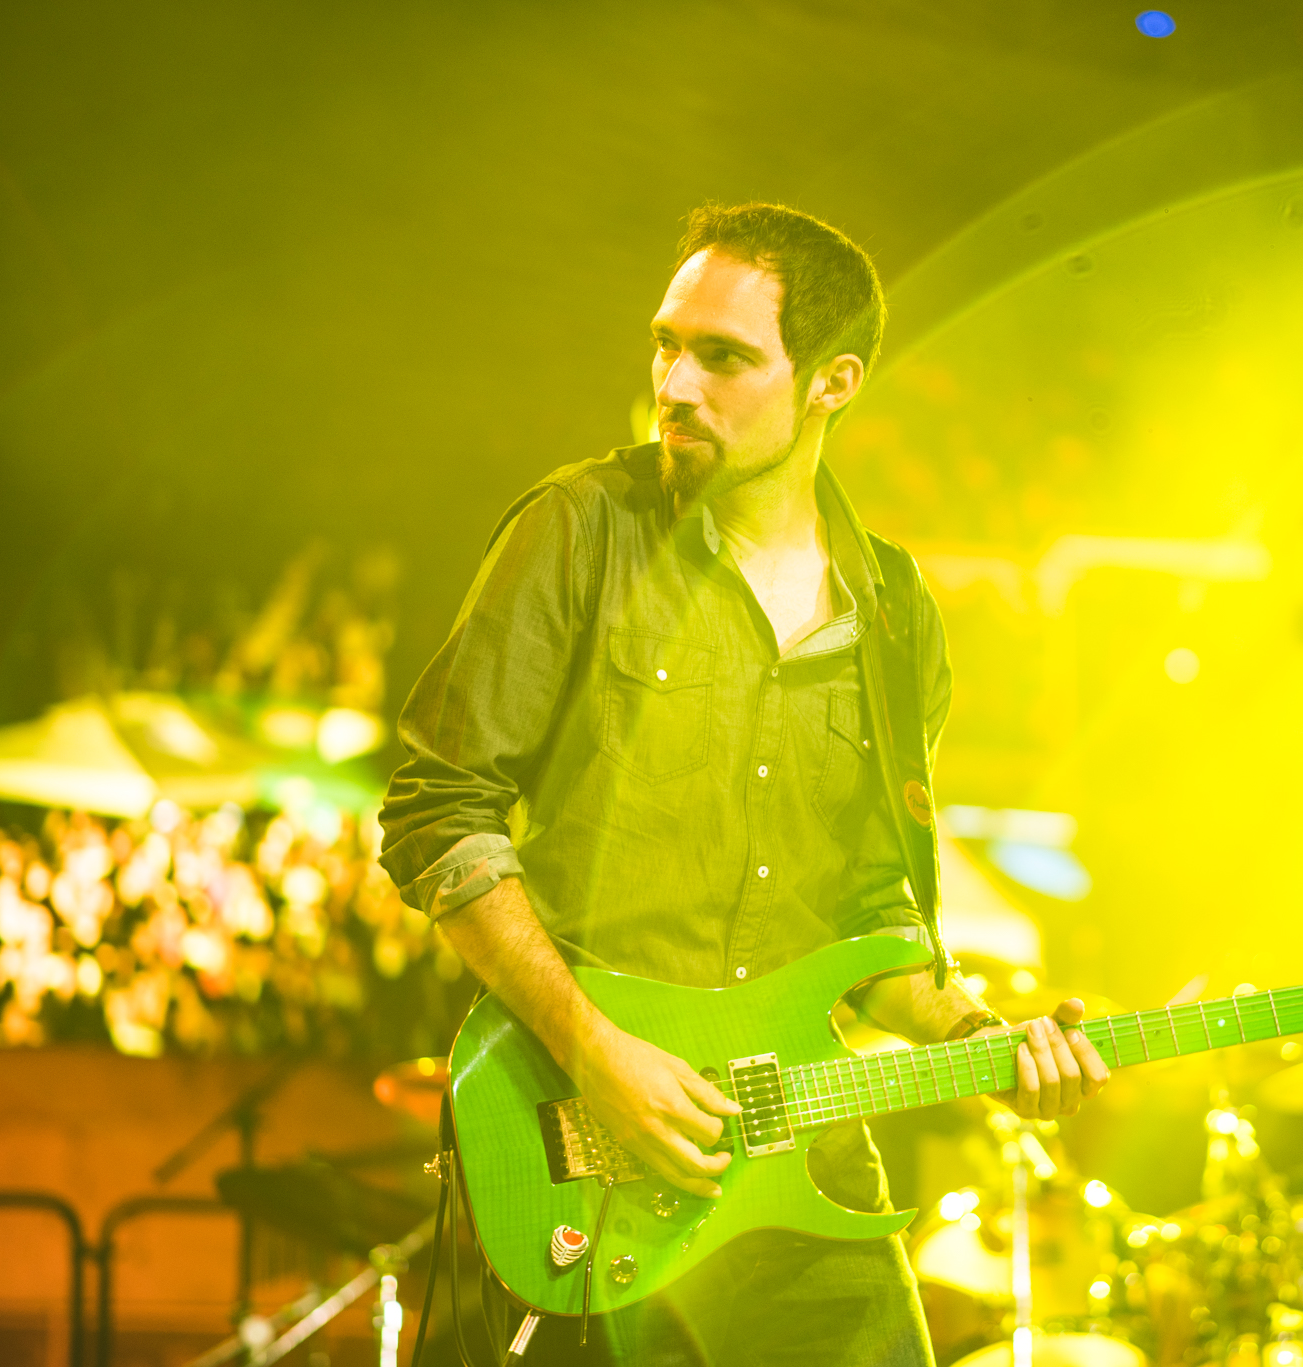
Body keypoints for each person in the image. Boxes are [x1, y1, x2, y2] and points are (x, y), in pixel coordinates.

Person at [378, 202, 1108, 1365]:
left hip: (800, 1163)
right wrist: (595, 1050)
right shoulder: (578, 530)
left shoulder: (895, 616)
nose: (675, 385)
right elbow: (435, 810)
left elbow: (871, 910)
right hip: (586, 1157)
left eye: (722, 357)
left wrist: (985, 1036)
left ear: (831, 382)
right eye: (665, 345)